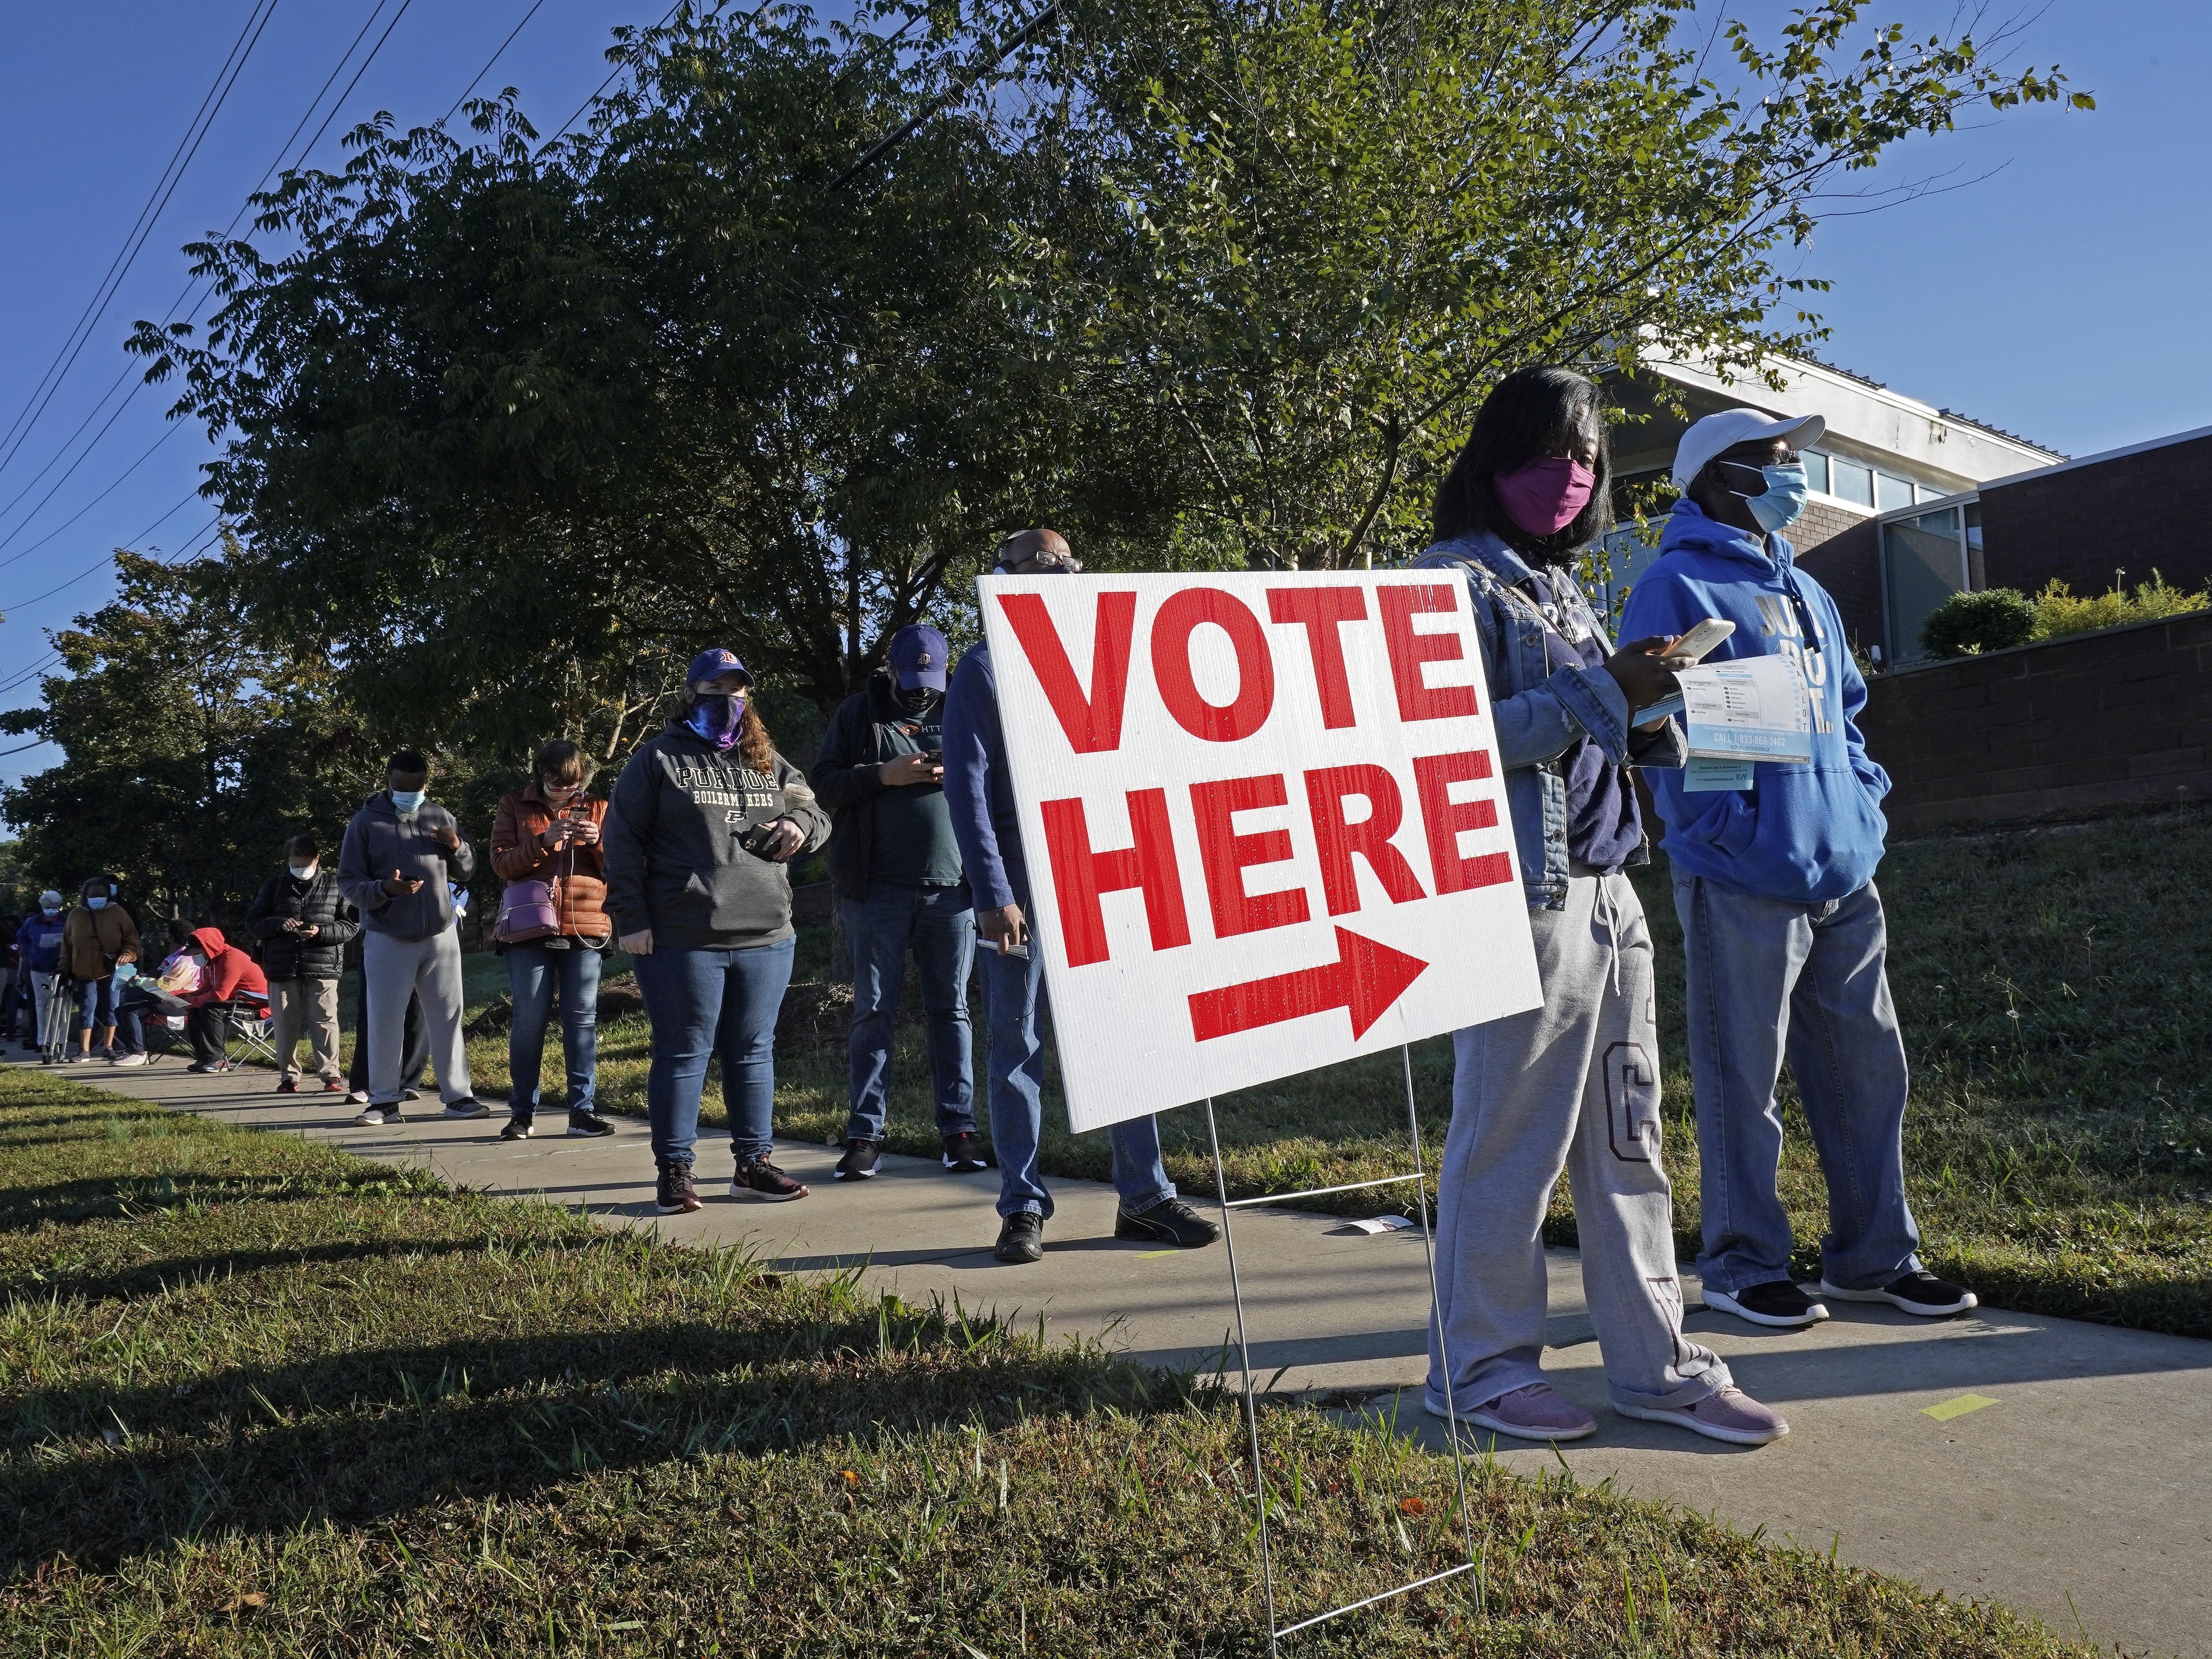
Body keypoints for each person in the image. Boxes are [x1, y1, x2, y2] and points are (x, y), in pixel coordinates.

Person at [1411, 365, 1787, 1446]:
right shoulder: (1448, 581)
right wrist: (1602, 691)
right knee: (1510, 1138)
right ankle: (1476, 1364)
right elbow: (1455, 750)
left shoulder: (1565, 588)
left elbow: (1587, 733)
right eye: (1547, 454)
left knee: (1631, 1135)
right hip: (1518, 896)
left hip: (1615, 887)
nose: (1570, 477)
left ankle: (1656, 1361)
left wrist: (1656, 708)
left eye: (1586, 458)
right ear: (1493, 461)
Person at [1618, 408, 1977, 1329]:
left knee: (1867, 1075)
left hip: (1843, 870)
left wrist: (1864, 802)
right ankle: (1743, 1264)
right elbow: (1659, 727)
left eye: (1793, 461)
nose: (1794, 478)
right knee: (1745, 1077)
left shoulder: (1810, 591)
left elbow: (1847, 713)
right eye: (1776, 463)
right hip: (1741, 876)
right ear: (1718, 478)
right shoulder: (1676, 584)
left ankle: (1874, 1260)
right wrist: (1727, 830)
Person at [942, 529, 1221, 1265]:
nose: (1055, 579)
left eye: (1065, 567)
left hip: (1108, 881)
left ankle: (1145, 1198)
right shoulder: (983, 669)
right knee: (1017, 1051)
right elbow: (965, 793)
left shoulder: (1110, 660)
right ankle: (1022, 1208)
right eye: (1036, 569)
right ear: (1002, 580)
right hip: (1023, 894)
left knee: (1129, 1039)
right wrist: (993, 893)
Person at [605, 649, 829, 1213]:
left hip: (767, 933)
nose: (729, 700)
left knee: (753, 1051)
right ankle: (675, 1172)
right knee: (684, 1052)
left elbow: (815, 811)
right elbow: (622, 842)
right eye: (716, 689)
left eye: (739, 690)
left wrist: (798, 826)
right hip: (684, 935)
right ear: (692, 695)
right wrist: (631, 919)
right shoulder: (658, 760)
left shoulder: (768, 762)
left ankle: (753, 1166)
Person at [812, 623, 985, 1181]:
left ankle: (959, 1132)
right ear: (890, 668)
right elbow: (825, 786)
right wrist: (880, 775)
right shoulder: (858, 714)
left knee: (951, 1012)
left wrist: (958, 773)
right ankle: (865, 1135)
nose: (920, 691)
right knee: (873, 1014)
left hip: (953, 889)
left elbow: (999, 778)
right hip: (876, 891)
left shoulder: (967, 703)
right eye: (910, 681)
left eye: (929, 681)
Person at [336, 750, 485, 1126]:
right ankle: (384, 1101)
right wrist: (385, 889)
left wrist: (457, 846)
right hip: (387, 935)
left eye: (416, 787)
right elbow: (349, 883)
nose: (409, 794)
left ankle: (458, 1096)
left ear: (426, 783)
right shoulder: (366, 822)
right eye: (401, 788)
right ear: (388, 781)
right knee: (385, 1019)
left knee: (449, 1016)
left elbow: (468, 871)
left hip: (440, 932)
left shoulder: (440, 815)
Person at [490, 740, 618, 1141]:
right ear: (540, 775)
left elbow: (621, 866)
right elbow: (501, 864)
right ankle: (522, 1113)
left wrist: (597, 840)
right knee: (529, 1020)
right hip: (530, 927)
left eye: (573, 784)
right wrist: (544, 842)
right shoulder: (515, 805)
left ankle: (582, 1112)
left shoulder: (599, 806)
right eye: (556, 783)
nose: (565, 791)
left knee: (581, 1021)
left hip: (586, 925)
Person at [244, 834, 360, 1092]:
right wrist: (279, 924)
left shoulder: (337, 885)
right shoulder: (274, 886)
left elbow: (351, 925)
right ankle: (289, 1077)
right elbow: (254, 923)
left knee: (326, 1021)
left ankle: (331, 1075)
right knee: (285, 1023)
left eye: (303, 863)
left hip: (324, 965)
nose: (299, 869)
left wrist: (320, 932)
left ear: (316, 859)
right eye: (293, 864)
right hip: (282, 966)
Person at [61, 875, 139, 1062]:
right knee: (87, 1007)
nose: (98, 897)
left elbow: (132, 939)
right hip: (85, 970)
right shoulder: (76, 914)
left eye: (101, 894)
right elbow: (66, 944)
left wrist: (128, 954)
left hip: (112, 969)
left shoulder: (118, 912)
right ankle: (84, 1050)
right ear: (85, 895)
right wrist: (64, 967)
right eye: (93, 894)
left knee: (112, 1007)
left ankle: (109, 1047)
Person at [15, 894, 67, 1054]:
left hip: (61, 968)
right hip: (38, 968)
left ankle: (59, 1040)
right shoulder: (32, 923)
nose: (50, 909)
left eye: (54, 905)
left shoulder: (66, 921)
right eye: (47, 906)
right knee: (41, 1003)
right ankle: (42, 1040)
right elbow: (21, 938)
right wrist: (29, 951)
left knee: (60, 1005)